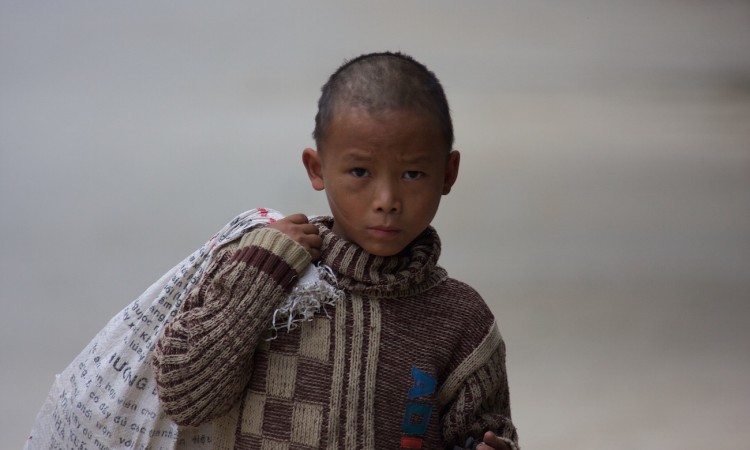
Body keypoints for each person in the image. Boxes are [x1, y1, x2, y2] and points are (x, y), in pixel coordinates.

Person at [152, 52, 519, 449]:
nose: (387, 200)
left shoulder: (460, 320)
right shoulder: (268, 274)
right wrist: (259, 275)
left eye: (413, 174)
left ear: (448, 174)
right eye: (360, 172)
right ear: (317, 169)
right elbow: (184, 397)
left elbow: (486, 429)